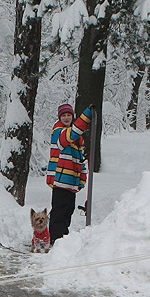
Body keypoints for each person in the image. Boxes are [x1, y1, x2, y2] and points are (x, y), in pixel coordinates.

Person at [46, 103, 93, 244]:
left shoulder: (78, 139)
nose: (66, 118)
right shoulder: (59, 133)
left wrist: (82, 179)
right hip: (60, 179)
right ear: (60, 117)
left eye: (69, 115)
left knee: (68, 211)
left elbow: (79, 160)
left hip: (71, 182)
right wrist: (87, 115)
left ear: (72, 116)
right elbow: (72, 133)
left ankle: (63, 238)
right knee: (59, 211)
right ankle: (55, 238)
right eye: (64, 115)